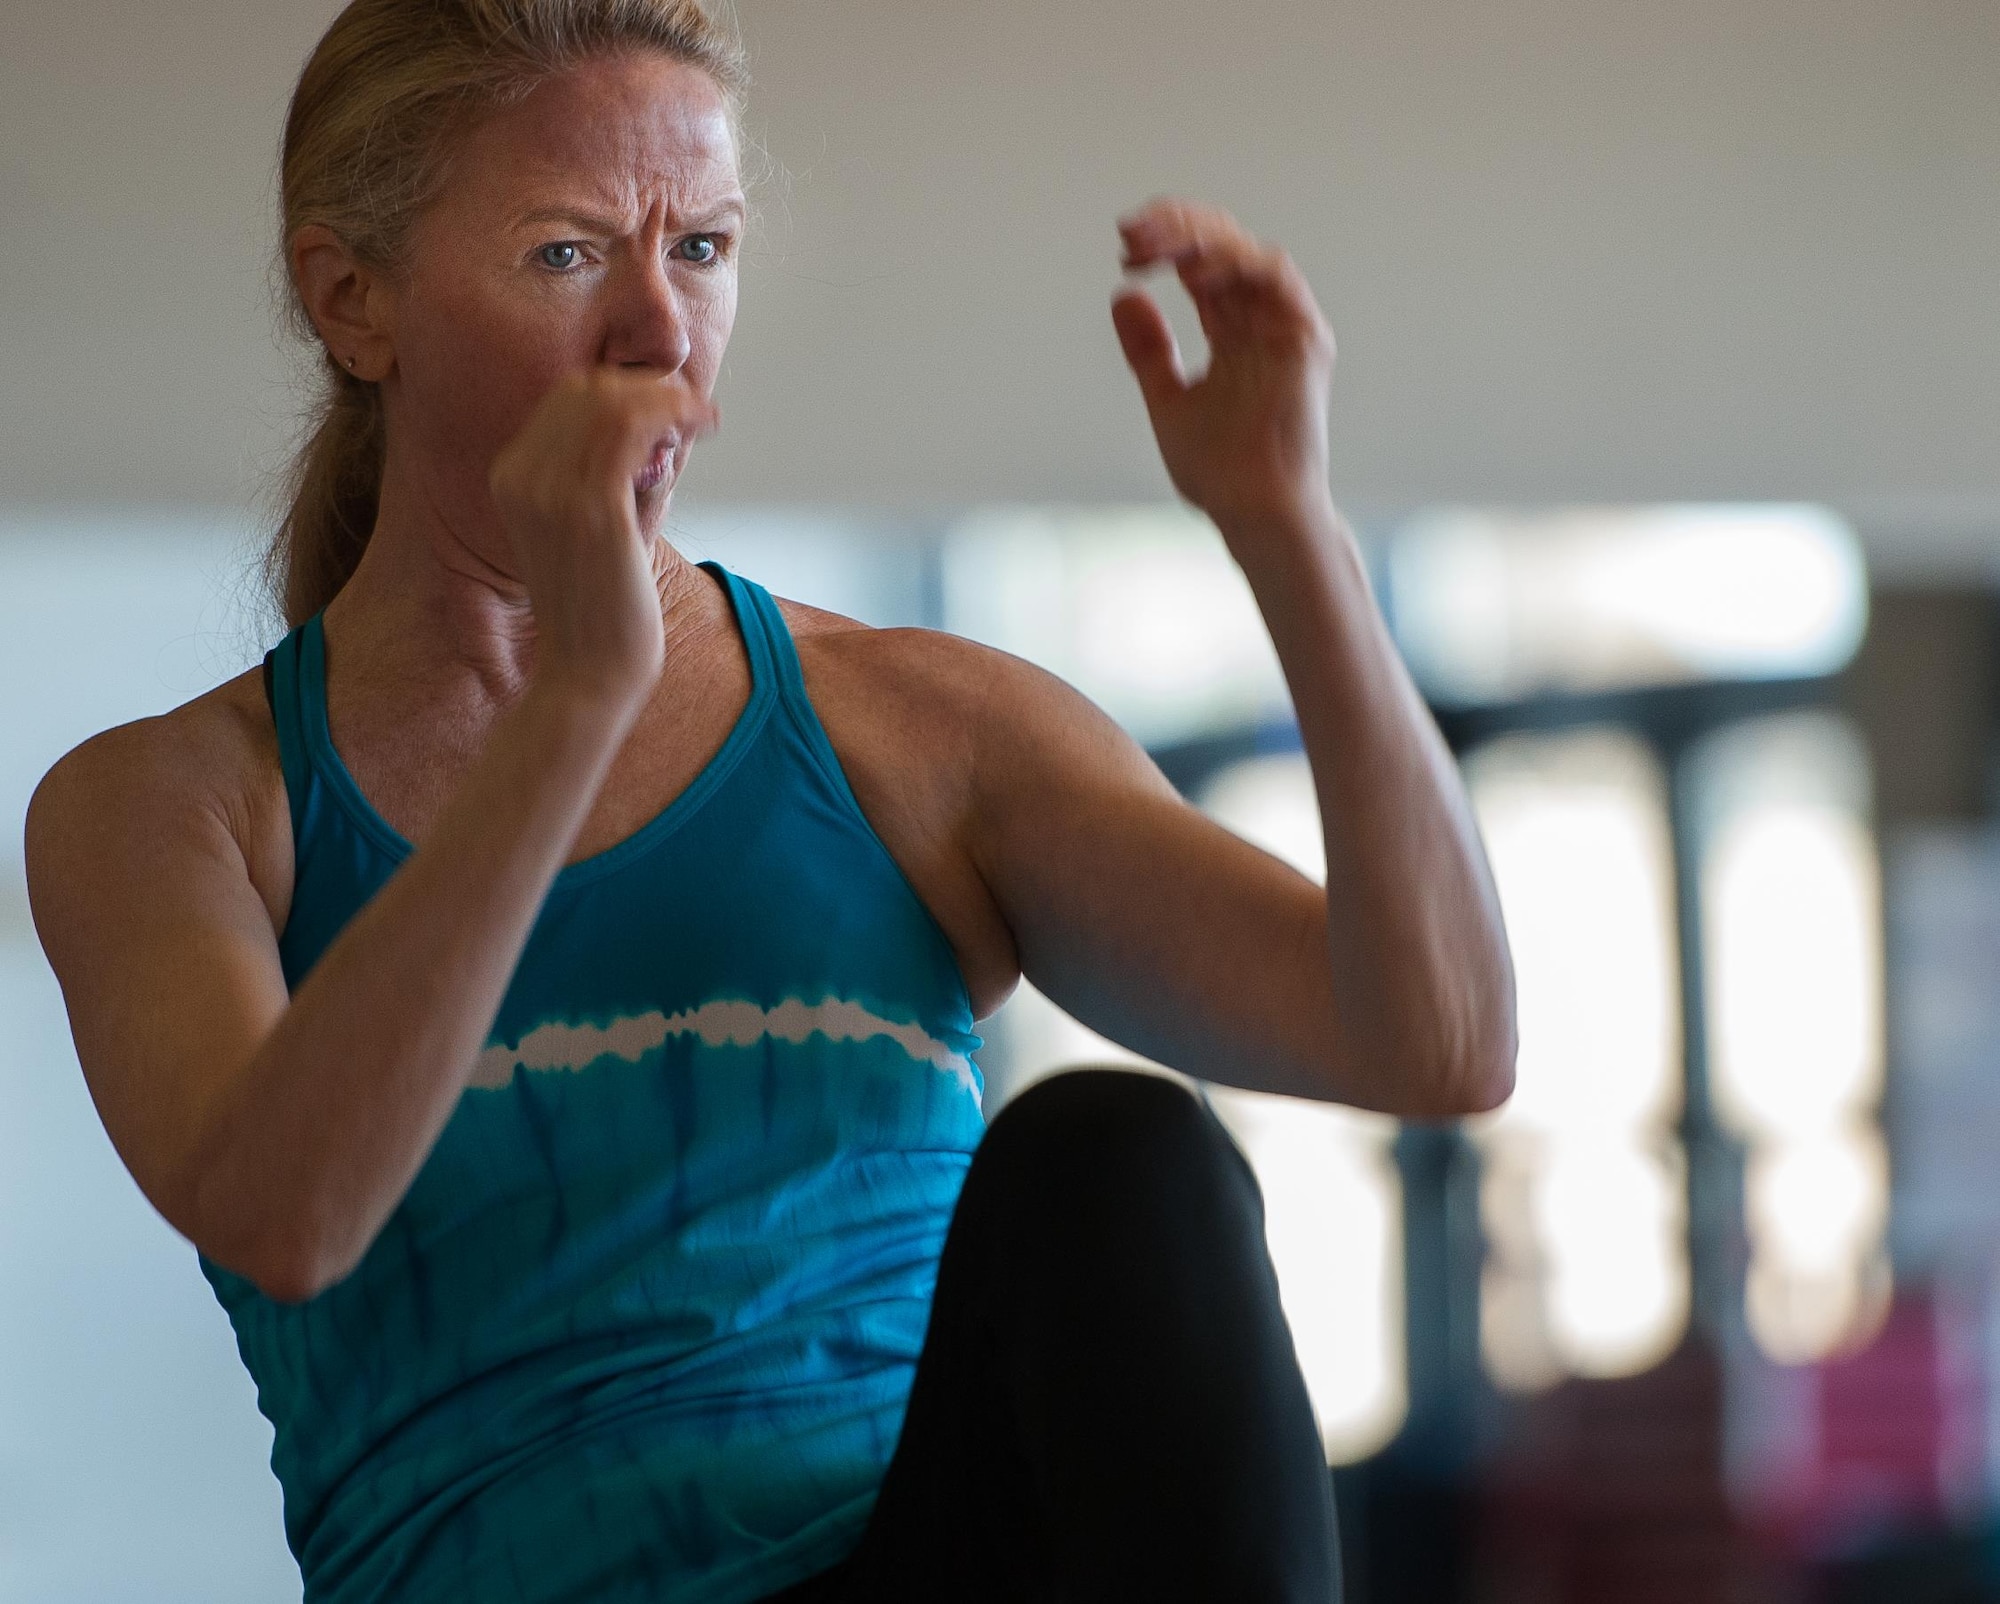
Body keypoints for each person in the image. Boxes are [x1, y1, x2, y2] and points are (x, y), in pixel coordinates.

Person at [23, 2, 1515, 1600]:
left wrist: (1290, 528)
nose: (661, 331)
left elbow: (1432, 1041)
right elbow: (286, 1212)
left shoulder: (913, 726)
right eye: (567, 255)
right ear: (353, 299)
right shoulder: (171, 805)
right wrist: (578, 701)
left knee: (1119, 1153)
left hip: (913, 1556)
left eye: (706, 249)